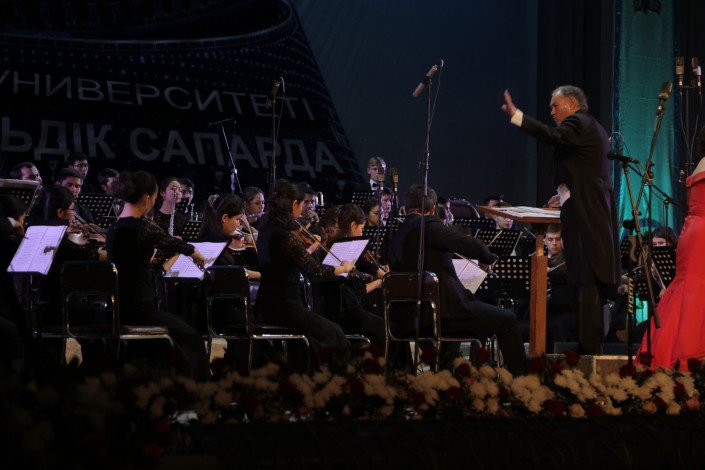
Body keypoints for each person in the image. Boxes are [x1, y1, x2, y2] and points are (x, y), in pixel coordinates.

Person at [502, 86, 620, 355]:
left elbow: (553, 136)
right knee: (581, 280)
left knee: (586, 280)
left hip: (587, 218)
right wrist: (565, 194)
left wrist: (518, 116)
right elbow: (584, 172)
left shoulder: (579, 122)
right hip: (584, 212)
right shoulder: (586, 127)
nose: (552, 112)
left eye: (556, 106)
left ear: (572, 103)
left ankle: (589, 350)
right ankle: (587, 347)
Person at [388, 183, 527, 375]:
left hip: (407, 318)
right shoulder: (430, 227)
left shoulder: (396, 234)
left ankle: (451, 377)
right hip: (441, 315)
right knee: (508, 320)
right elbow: (474, 246)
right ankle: (523, 381)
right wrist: (489, 258)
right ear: (432, 209)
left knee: (478, 323)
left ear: (405, 208)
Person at [107, 170, 210, 379]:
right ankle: (196, 389)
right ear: (147, 198)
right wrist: (194, 251)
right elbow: (169, 241)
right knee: (192, 338)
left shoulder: (115, 228)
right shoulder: (140, 226)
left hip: (118, 307)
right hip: (138, 308)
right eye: (155, 197)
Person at [254, 179, 354, 371]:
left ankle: (308, 377)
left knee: (314, 339)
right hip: (286, 308)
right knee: (336, 334)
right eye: (301, 205)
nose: (301, 211)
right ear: (294, 204)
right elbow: (316, 269)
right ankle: (340, 381)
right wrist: (344, 268)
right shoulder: (284, 236)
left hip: (265, 306)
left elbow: (287, 262)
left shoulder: (265, 232)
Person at [638, 128, 705, 371]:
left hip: (693, 232)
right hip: (701, 234)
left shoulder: (701, 163)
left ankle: (672, 354)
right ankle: (690, 356)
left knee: (689, 288)